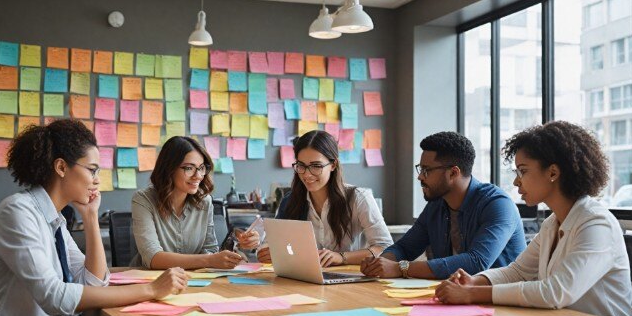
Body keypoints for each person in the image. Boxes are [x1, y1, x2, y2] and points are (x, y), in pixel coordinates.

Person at [0, 119, 186, 316]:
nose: (96, 180)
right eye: (92, 169)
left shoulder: (53, 218)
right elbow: (54, 297)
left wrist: (90, 217)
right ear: (61, 167)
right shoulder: (18, 212)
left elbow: (94, 282)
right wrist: (151, 290)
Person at [435, 121, 632, 316]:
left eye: (522, 171)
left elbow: (555, 292)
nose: (516, 181)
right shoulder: (553, 222)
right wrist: (474, 281)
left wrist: (472, 294)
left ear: (552, 173)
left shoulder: (596, 223)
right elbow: (518, 271)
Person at [361, 131, 525, 279]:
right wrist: (380, 263)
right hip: (458, 298)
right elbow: (404, 248)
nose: (420, 178)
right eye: (420, 169)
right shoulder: (437, 204)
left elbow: (477, 262)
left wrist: (400, 268)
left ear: (453, 173)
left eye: (426, 170)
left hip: (505, 304)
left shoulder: (498, 204)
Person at [257, 130, 393, 266]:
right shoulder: (290, 201)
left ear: (333, 165)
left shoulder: (359, 198)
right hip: (305, 280)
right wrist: (266, 253)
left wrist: (341, 257)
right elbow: (269, 244)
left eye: (316, 166)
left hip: (351, 281)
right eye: (301, 166)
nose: (307, 174)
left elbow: (385, 248)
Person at [131, 136, 246, 269]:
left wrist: (230, 254)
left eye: (201, 168)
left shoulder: (204, 202)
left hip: (193, 281)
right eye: (189, 168)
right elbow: (153, 258)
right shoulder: (143, 200)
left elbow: (210, 250)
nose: (198, 176)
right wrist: (209, 260)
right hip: (150, 282)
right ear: (169, 168)